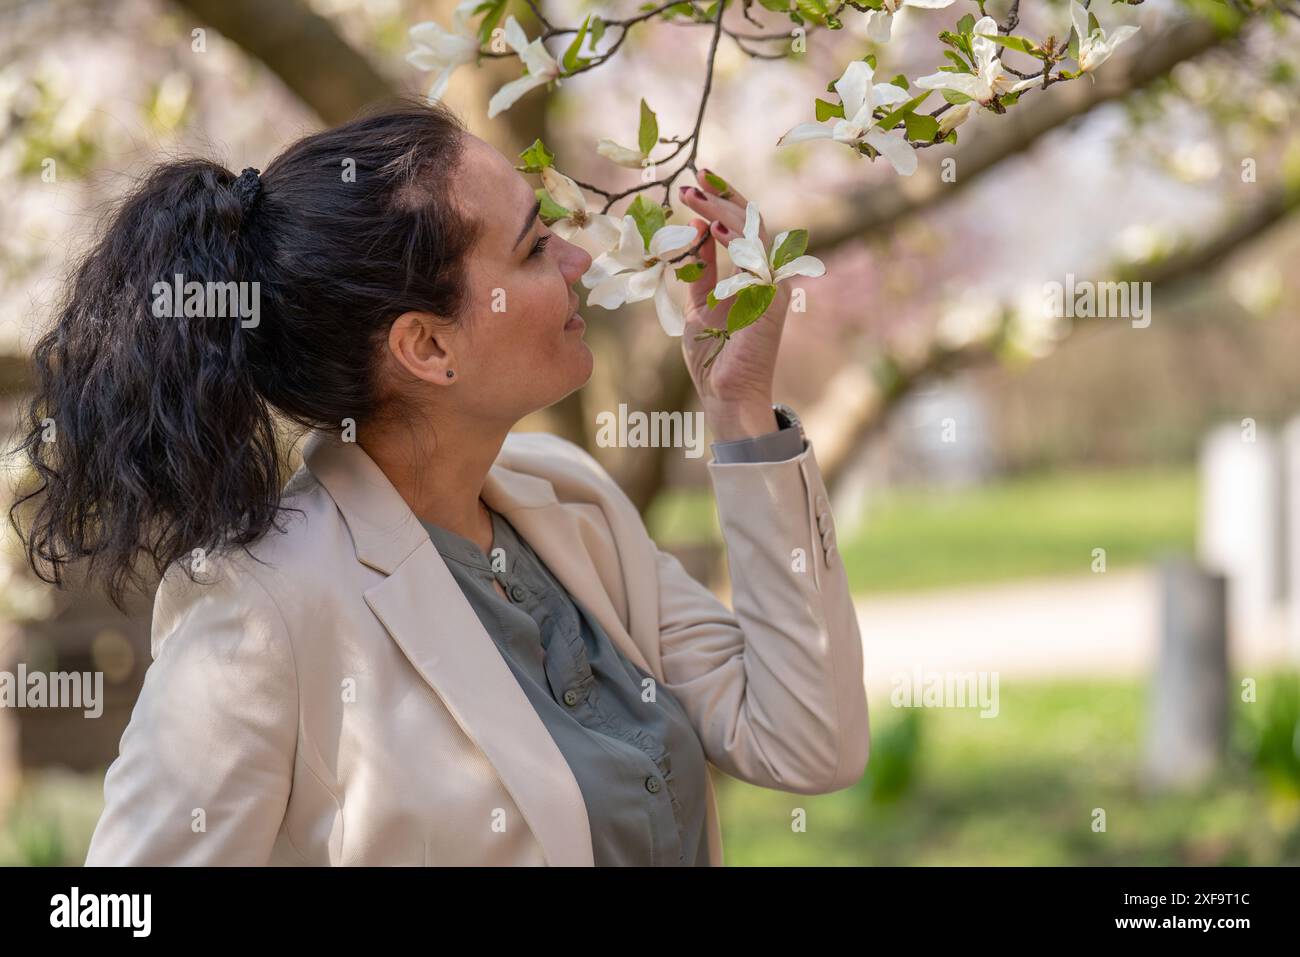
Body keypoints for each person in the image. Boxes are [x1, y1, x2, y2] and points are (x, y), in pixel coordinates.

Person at [10, 100, 869, 866]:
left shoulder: (574, 505)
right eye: (535, 247)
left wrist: (739, 406)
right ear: (428, 348)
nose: (576, 259)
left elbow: (807, 742)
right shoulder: (261, 606)